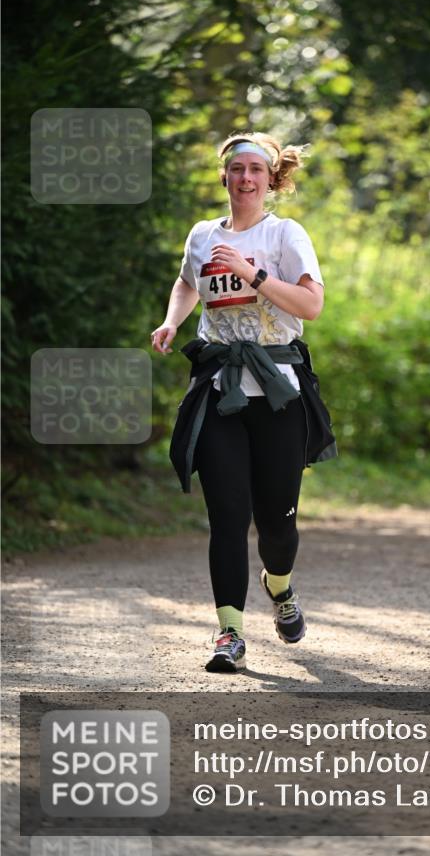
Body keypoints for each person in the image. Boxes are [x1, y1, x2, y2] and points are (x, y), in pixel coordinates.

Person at [152, 132, 336, 673]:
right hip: (220, 390)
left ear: (270, 178)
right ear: (225, 177)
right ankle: (229, 632)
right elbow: (188, 283)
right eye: (238, 169)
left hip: (277, 388)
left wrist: (254, 274)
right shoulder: (203, 235)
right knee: (226, 516)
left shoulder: (285, 233)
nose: (247, 178)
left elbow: (312, 304)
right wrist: (171, 321)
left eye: (257, 169)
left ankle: (279, 586)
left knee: (276, 522)